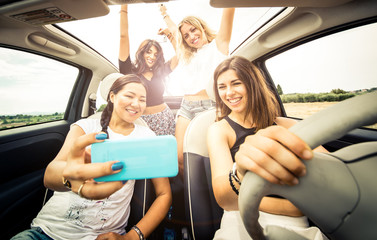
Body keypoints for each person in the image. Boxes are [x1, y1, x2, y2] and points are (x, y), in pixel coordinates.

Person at [11, 74, 172, 240]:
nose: (136, 104)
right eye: (129, 96)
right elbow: (49, 176)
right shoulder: (85, 127)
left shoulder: (147, 137)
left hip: (100, 237)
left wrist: (131, 237)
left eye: (142, 99)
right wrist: (73, 179)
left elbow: (164, 194)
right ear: (112, 96)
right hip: (45, 232)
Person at [207, 56, 328, 239]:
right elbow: (225, 199)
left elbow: (328, 166)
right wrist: (292, 208)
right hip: (244, 219)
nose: (229, 93)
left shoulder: (285, 125)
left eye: (236, 83)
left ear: (252, 84)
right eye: (222, 87)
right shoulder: (219, 130)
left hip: (297, 224)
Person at [159, 4, 235, 177]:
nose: (191, 36)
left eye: (194, 30)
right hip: (186, 107)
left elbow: (229, 10)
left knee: (211, 156)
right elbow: (174, 30)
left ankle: (213, 189)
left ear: (201, 27)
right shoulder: (186, 54)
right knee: (179, 157)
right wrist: (164, 14)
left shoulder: (219, 45)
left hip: (211, 106)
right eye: (186, 35)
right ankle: (193, 190)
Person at [119, 4, 178, 136]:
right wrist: (124, 7)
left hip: (165, 120)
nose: (152, 56)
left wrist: (169, 34)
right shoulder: (128, 71)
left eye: (156, 54)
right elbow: (123, 36)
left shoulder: (161, 71)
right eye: (149, 52)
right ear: (142, 53)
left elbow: (180, 54)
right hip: (140, 122)